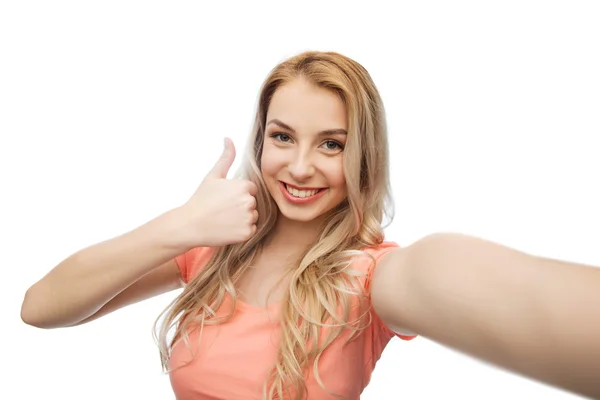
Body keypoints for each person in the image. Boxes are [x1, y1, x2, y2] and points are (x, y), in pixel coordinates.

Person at [21, 51, 600, 400]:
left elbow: (453, 278)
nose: (300, 167)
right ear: (260, 139)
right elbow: (41, 308)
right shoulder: (212, 251)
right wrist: (181, 224)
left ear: (364, 157)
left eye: (331, 144)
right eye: (282, 137)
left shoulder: (373, 277)